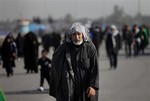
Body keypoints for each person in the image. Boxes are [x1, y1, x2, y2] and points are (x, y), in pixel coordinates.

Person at [49, 22, 99, 101]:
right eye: (74, 35)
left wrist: (93, 86)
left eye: (79, 34)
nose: (77, 37)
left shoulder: (90, 48)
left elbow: (94, 68)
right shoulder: (63, 48)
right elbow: (55, 64)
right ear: (70, 36)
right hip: (69, 87)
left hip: (85, 87)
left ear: (83, 35)